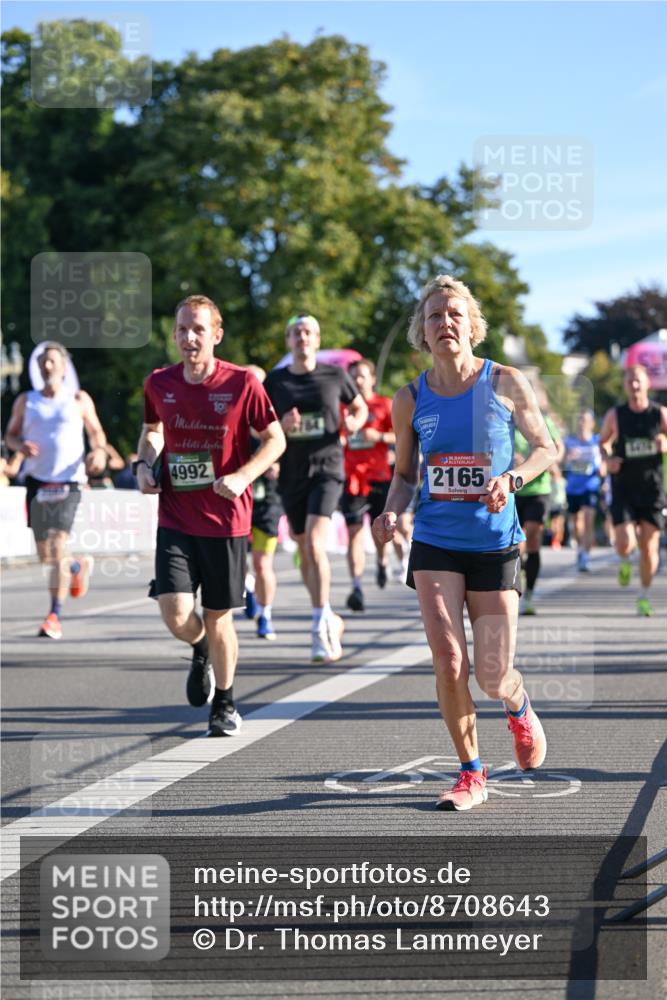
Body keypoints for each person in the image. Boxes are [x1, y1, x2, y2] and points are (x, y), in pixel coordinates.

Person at [372, 275, 556, 812]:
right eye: (434, 316)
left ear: (472, 325)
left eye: (454, 314)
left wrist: (513, 479)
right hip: (435, 540)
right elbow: (405, 475)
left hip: (495, 542)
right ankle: (471, 772)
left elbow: (547, 448)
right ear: (422, 334)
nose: (444, 323)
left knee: (494, 674)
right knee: (449, 659)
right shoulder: (409, 399)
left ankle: (518, 705)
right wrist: (391, 510)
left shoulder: (504, 382)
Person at [136, 295, 285, 735]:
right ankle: (199, 646)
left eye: (198, 329)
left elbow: (275, 440)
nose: (189, 338)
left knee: (219, 615)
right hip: (176, 517)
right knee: (176, 612)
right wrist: (144, 464)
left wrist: (243, 475)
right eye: (182, 329)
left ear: (216, 335)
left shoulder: (241, 383)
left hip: (226, 520)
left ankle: (224, 702)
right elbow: (151, 432)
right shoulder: (158, 382)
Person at [264, 314, 367, 662]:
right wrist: (280, 425)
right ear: (288, 340)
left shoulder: (334, 375)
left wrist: (355, 419)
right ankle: (329, 617)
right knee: (304, 549)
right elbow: (255, 427)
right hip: (291, 473)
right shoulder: (275, 381)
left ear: (317, 339)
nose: (302, 338)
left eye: (308, 332)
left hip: (327, 467)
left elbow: (359, 405)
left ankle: (319, 623)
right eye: (296, 333)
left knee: (316, 542)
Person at [4, 341, 108, 638]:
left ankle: (53, 616)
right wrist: (19, 445)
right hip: (37, 480)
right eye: (42, 363)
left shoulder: (78, 399)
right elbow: (11, 435)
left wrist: (98, 451)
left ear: (63, 367)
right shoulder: (26, 401)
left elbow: (97, 432)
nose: (46, 367)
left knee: (58, 544)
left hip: (69, 480)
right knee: (45, 554)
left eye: (51, 362)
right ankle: (76, 566)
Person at [599, 364, 667, 616]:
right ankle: (626, 560)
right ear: (625, 385)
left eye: (638, 381)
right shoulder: (615, 415)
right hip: (624, 487)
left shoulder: (659, 414)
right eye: (630, 381)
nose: (634, 385)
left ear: (648, 383)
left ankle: (644, 596)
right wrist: (608, 459)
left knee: (649, 548)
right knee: (625, 543)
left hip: (653, 488)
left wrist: (665, 442)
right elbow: (603, 442)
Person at [340, 358, 407, 611]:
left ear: (372, 379)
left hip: (379, 477)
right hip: (352, 479)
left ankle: (381, 561)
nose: (357, 381)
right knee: (354, 534)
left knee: (381, 530)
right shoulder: (342, 407)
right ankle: (356, 586)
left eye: (362, 376)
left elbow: (402, 436)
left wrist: (378, 436)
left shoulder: (384, 404)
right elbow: (337, 436)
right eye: (353, 376)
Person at [241, 365, 283, 641]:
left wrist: (278, 465)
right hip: (236, 500)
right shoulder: (230, 415)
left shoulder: (273, 417)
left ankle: (265, 616)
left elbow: (286, 449)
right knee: (237, 562)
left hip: (267, 500)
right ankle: (247, 587)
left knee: (262, 563)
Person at [513, 387, 564, 614]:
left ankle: (530, 594)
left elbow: (557, 447)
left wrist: (548, 460)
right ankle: (518, 579)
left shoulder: (542, 421)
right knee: (515, 544)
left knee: (532, 534)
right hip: (513, 489)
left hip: (538, 489)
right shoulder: (505, 418)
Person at [563, 409, 604, 572]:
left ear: (592, 424)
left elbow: (605, 458)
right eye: (580, 420)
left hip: (591, 486)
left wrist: (603, 468)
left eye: (585, 420)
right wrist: (568, 458)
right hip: (573, 487)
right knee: (576, 523)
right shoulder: (569, 442)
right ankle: (580, 549)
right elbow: (561, 463)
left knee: (588, 520)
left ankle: (585, 556)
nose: (582, 423)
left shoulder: (597, 441)